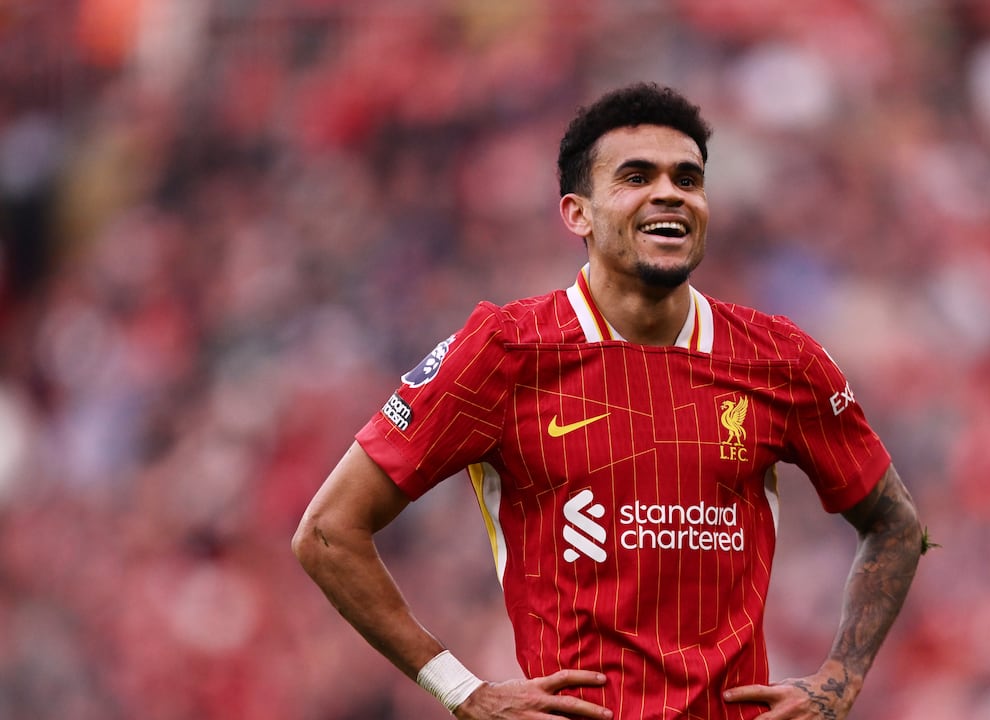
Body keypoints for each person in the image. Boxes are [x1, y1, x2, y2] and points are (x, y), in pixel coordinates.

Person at [293, 82, 925, 720]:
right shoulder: (504, 351)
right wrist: (462, 693)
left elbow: (897, 524)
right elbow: (327, 532)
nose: (669, 194)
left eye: (688, 178)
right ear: (578, 213)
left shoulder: (779, 358)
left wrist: (839, 682)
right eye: (635, 176)